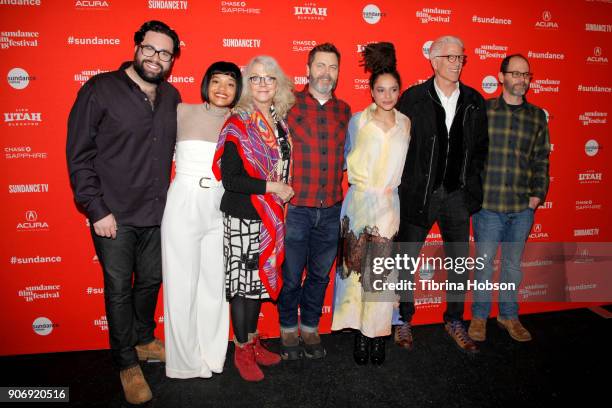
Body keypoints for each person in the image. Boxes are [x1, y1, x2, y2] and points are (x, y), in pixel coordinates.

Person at [66, 20, 181, 404]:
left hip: (157, 213)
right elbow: (79, 155)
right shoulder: (100, 89)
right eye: (150, 48)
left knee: (150, 281)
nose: (155, 57)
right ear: (137, 46)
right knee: (118, 289)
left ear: (172, 59)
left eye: (164, 53)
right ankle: (126, 361)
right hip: (112, 214)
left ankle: (144, 339)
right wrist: (96, 208)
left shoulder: (173, 97)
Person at [395, 35, 488, 354]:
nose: (457, 63)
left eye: (461, 58)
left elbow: (480, 151)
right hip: (419, 195)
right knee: (405, 259)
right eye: (450, 57)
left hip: (457, 197)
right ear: (433, 61)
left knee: (460, 263)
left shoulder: (475, 101)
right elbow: (400, 147)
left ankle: (454, 320)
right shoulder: (413, 98)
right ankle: (402, 320)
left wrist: (469, 189)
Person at [212, 55, 295, 382]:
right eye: (257, 78)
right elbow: (230, 179)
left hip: (270, 215)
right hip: (244, 214)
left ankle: (253, 340)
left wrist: (278, 191)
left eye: (270, 78)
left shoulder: (279, 120)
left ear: (278, 85)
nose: (263, 83)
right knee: (243, 288)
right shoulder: (238, 121)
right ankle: (242, 349)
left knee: (257, 283)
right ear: (248, 85)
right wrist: (274, 186)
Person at [331, 42, 410, 365]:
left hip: (389, 205)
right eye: (381, 89)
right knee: (353, 275)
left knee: (381, 276)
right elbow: (345, 161)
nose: (387, 95)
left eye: (393, 89)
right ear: (371, 91)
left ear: (399, 90)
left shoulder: (406, 123)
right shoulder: (357, 121)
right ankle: (358, 336)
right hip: (359, 203)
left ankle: (375, 336)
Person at [162, 61, 242, 379]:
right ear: (206, 83)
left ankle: (212, 354)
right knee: (181, 284)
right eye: (216, 81)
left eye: (230, 83)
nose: (222, 89)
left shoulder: (240, 122)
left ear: (238, 91)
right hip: (184, 200)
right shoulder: (181, 111)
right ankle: (183, 362)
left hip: (219, 204)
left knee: (214, 286)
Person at [277, 43, 351, 360]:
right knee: (292, 275)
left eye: (332, 67)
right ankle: (287, 329)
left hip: (332, 208)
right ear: (308, 69)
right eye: (320, 65)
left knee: (321, 276)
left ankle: (309, 326)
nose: (326, 73)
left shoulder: (344, 111)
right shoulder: (288, 106)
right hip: (297, 209)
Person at [468, 54, 550, 343]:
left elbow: (541, 158)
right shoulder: (485, 110)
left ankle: (508, 315)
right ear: (501, 77)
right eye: (515, 74)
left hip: (521, 207)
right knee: (485, 264)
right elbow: (471, 157)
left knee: (513, 266)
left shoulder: (537, 116)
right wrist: (474, 192)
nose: (521, 79)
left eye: (526, 75)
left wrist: (537, 195)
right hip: (488, 206)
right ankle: (479, 317)